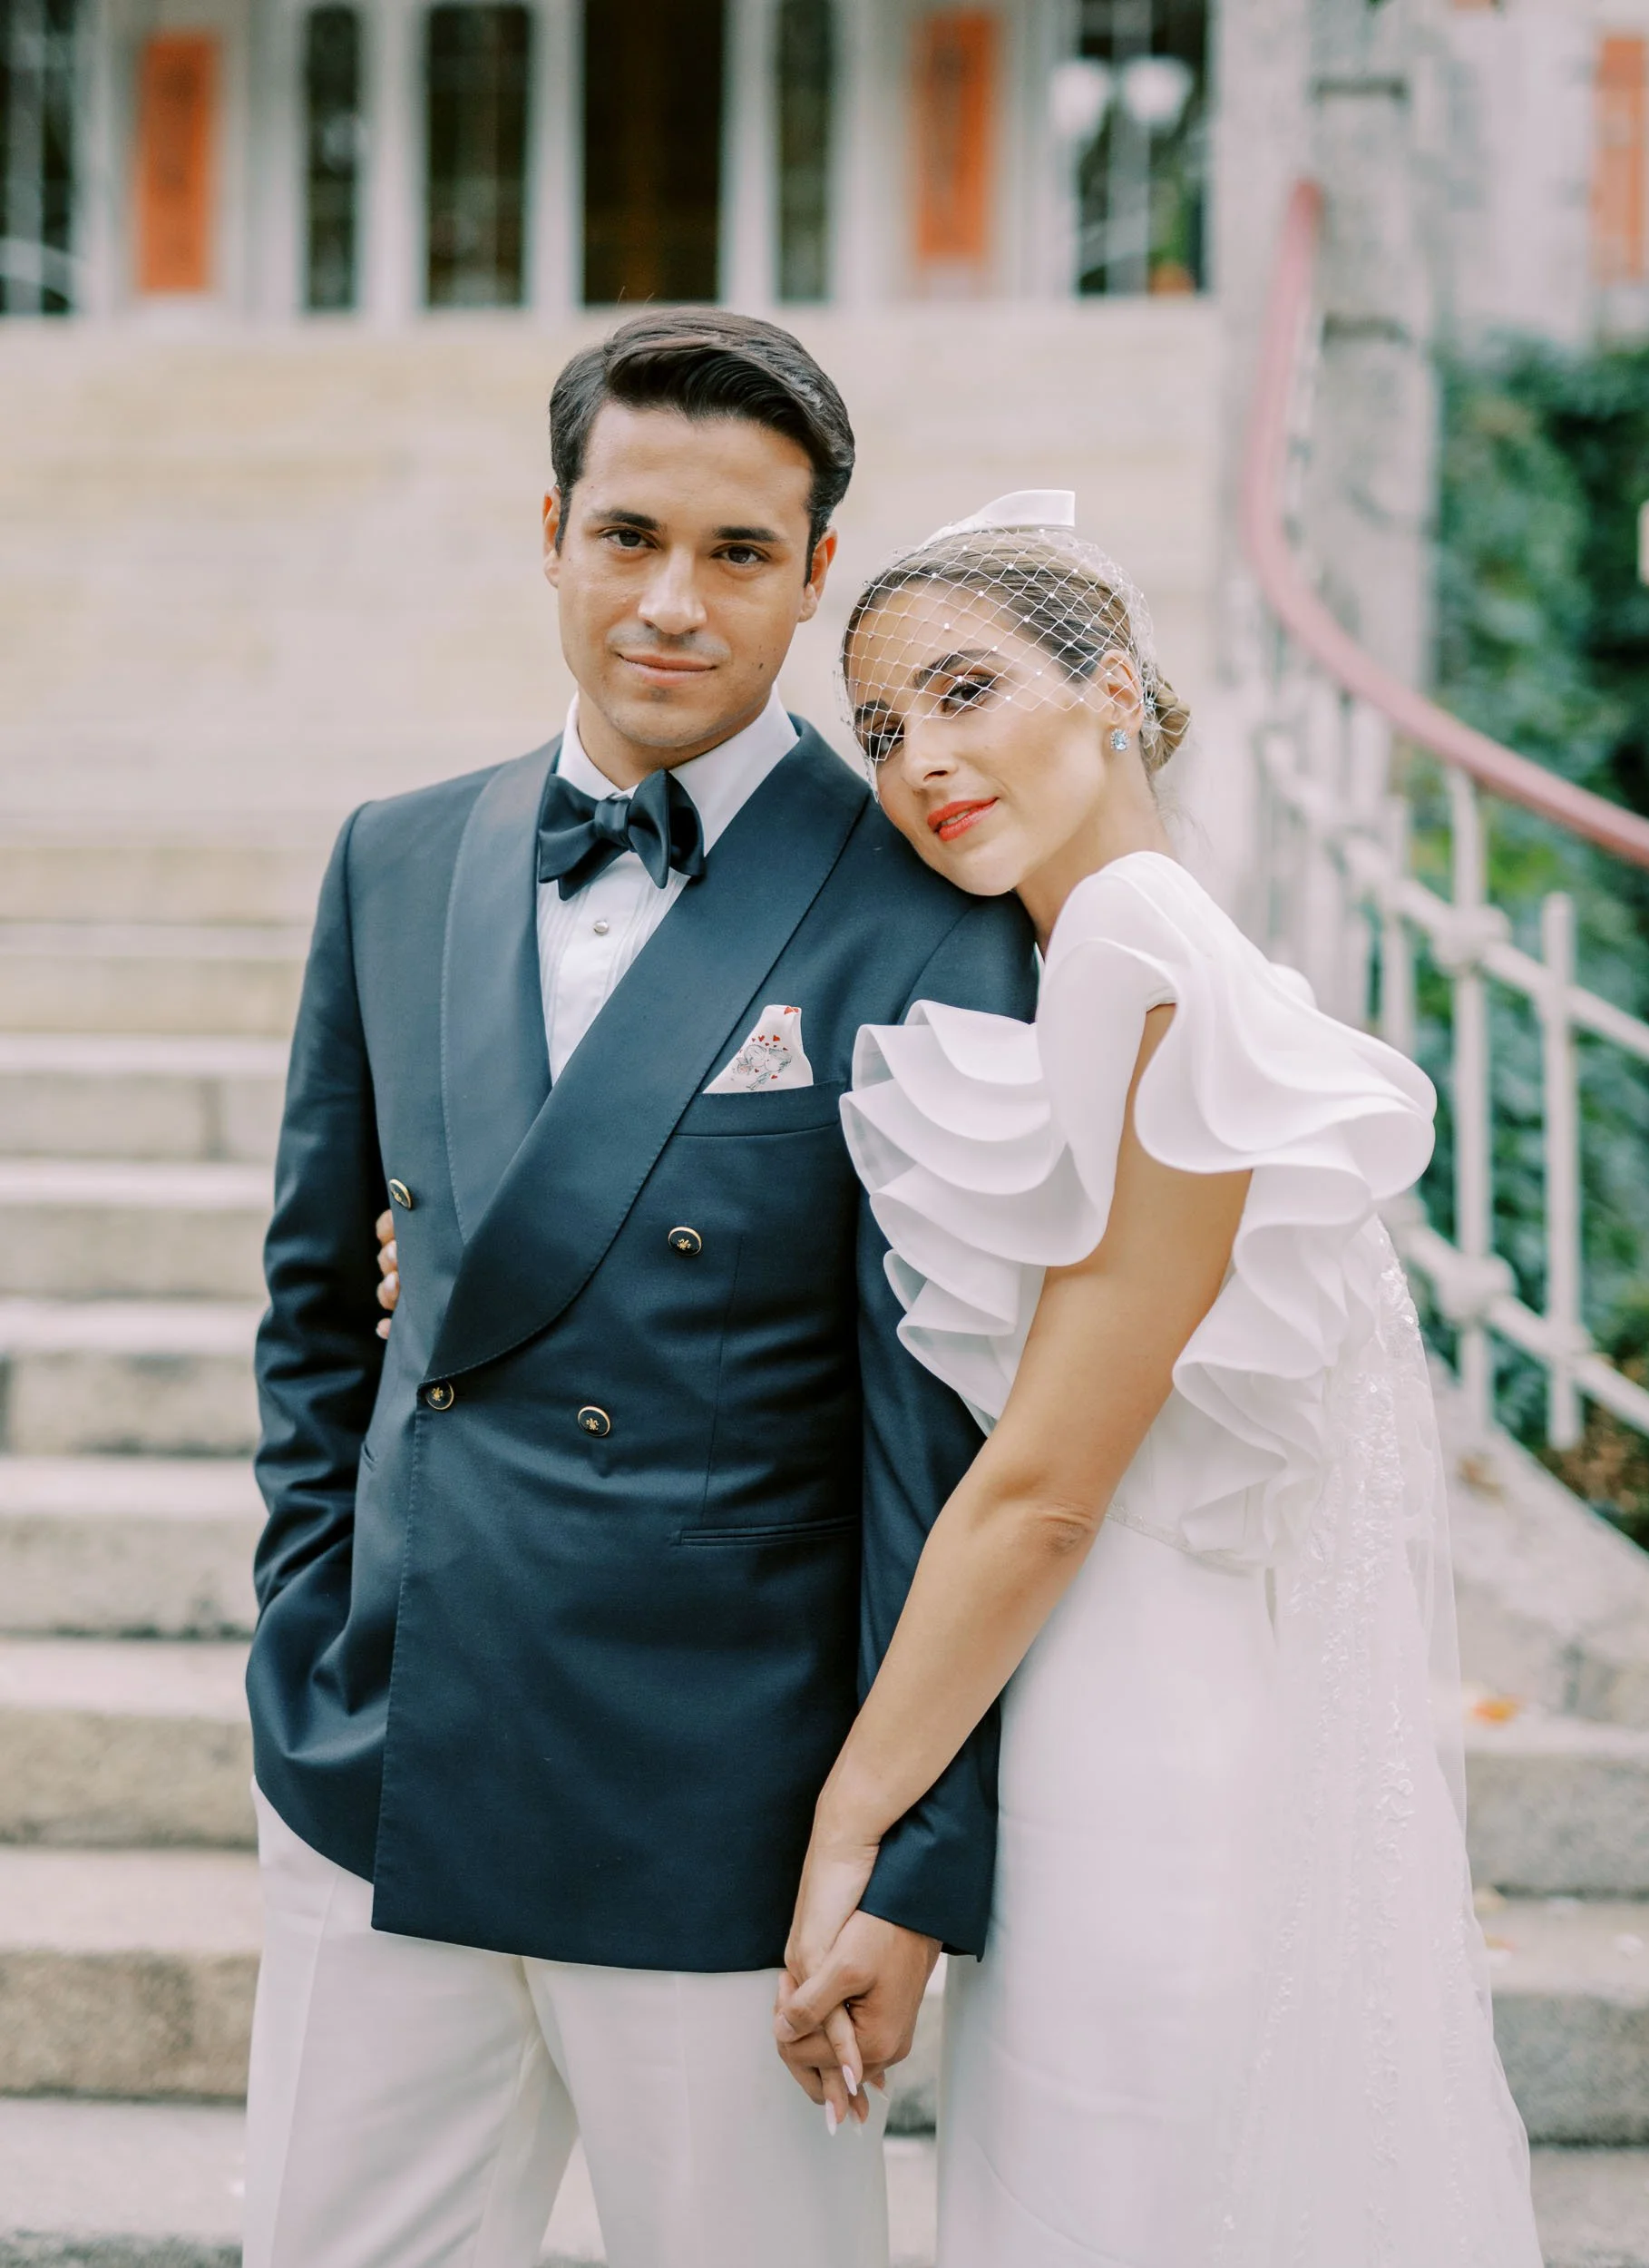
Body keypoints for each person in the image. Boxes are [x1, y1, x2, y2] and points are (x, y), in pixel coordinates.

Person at [242, 313, 1035, 2268]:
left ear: (815, 570)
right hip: (390, 1762)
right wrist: (302, 1639)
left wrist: (909, 1861)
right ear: (552, 529)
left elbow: (942, 1440)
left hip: (732, 1822)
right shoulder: (395, 857)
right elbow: (312, 1316)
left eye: (740, 553)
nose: (673, 603)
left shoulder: (923, 902)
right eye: (628, 536)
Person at [767, 494, 1547, 2264]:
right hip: (1172, 1701)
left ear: (1109, 685)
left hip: (1131, 1742)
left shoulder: (1131, 945)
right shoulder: (1132, 949)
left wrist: (851, 1813)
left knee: (1109, 2199)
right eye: (884, 727)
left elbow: (1047, 1484)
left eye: (968, 691)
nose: (921, 761)